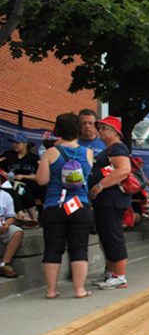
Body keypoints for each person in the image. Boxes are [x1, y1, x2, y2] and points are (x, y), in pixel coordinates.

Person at [35, 112, 93, 299]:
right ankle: (79, 289)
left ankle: (51, 290)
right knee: (79, 248)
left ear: (57, 130)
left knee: (53, 247)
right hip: (79, 205)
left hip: (55, 205)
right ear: (78, 130)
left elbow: (42, 180)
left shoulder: (50, 153)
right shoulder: (87, 153)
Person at [89, 116, 131, 290]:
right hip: (106, 201)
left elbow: (124, 170)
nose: (100, 131)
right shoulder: (110, 149)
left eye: (104, 128)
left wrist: (100, 185)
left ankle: (119, 276)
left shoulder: (117, 148)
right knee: (107, 237)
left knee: (113, 236)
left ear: (115, 131)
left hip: (111, 200)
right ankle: (111, 273)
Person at [0, 133, 41, 223]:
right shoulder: (8, 155)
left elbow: (40, 176)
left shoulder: (33, 158)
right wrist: (5, 174)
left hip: (30, 182)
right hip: (12, 182)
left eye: (17, 143)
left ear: (25, 144)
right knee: (20, 188)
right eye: (13, 143)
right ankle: (28, 216)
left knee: (26, 188)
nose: (14, 145)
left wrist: (23, 176)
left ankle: (34, 217)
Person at [0, 170, 24, 278]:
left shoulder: (6, 196)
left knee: (17, 232)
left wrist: (6, 224)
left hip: (2, 224)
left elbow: (11, 216)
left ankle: (4, 264)